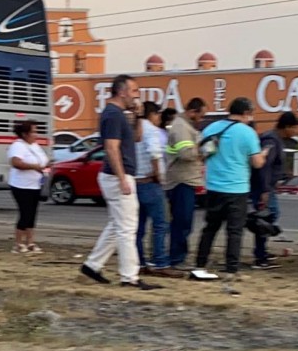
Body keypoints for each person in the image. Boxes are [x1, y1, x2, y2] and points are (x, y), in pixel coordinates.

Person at [80, 74, 160, 290]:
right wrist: (122, 177)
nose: (137, 95)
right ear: (122, 91)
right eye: (134, 91)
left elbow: (135, 139)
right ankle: (129, 276)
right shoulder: (113, 115)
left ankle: (92, 265)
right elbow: (111, 148)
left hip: (118, 175)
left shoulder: (120, 115)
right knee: (127, 227)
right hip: (118, 176)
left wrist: (137, 116)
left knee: (118, 225)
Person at [195, 97, 269, 280]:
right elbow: (257, 163)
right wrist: (264, 154)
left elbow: (200, 154)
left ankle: (200, 265)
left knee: (210, 227)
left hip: (213, 186)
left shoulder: (211, 128)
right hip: (237, 188)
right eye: (250, 114)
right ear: (246, 113)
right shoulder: (247, 132)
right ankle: (231, 270)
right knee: (234, 230)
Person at [250, 111, 298, 268]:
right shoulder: (271, 140)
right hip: (263, 188)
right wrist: (265, 189)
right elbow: (264, 166)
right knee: (265, 219)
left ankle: (261, 252)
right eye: (294, 127)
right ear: (286, 126)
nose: (295, 131)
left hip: (268, 187)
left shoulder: (276, 140)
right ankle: (260, 258)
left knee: (268, 217)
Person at [135, 102, 183, 278]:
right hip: (150, 182)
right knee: (161, 224)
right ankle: (160, 262)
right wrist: (159, 176)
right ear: (152, 114)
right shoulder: (151, 131)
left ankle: (139, 262)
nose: (159, 119)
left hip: (135, 182)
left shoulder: (134, 130)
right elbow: (155, 154)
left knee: (138, 228)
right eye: (158, 115)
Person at [165, 98, 207, 269]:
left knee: (183, 222)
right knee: (182, 222)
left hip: (184, 180)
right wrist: (204, 148)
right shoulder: (182, 127)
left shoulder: (185, 126)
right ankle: (177, 259)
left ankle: (178, 257)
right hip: (180, 181)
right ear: (192, 112)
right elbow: (185, 154)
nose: (202, 119)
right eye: (201, 115)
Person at [7, 120, 50, 254]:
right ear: (25, 134)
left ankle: (30, 242)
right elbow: (16, 163)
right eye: (33, 132)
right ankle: (18, 244)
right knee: (25, 213)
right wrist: (34, 167)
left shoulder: (35, 146)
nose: (36, 134)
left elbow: (43, 161)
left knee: (32, 214)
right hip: (21, 185)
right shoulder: (18, 146)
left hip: (35, 185)